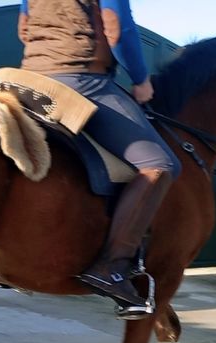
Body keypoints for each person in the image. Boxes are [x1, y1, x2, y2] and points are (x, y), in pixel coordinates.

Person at [18, 0, 182, 317]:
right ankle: (112, 267)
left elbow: (23, 30)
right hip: (81, 80)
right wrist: (139, 79)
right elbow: (116, 28)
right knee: (160, 165)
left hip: (28, 79)